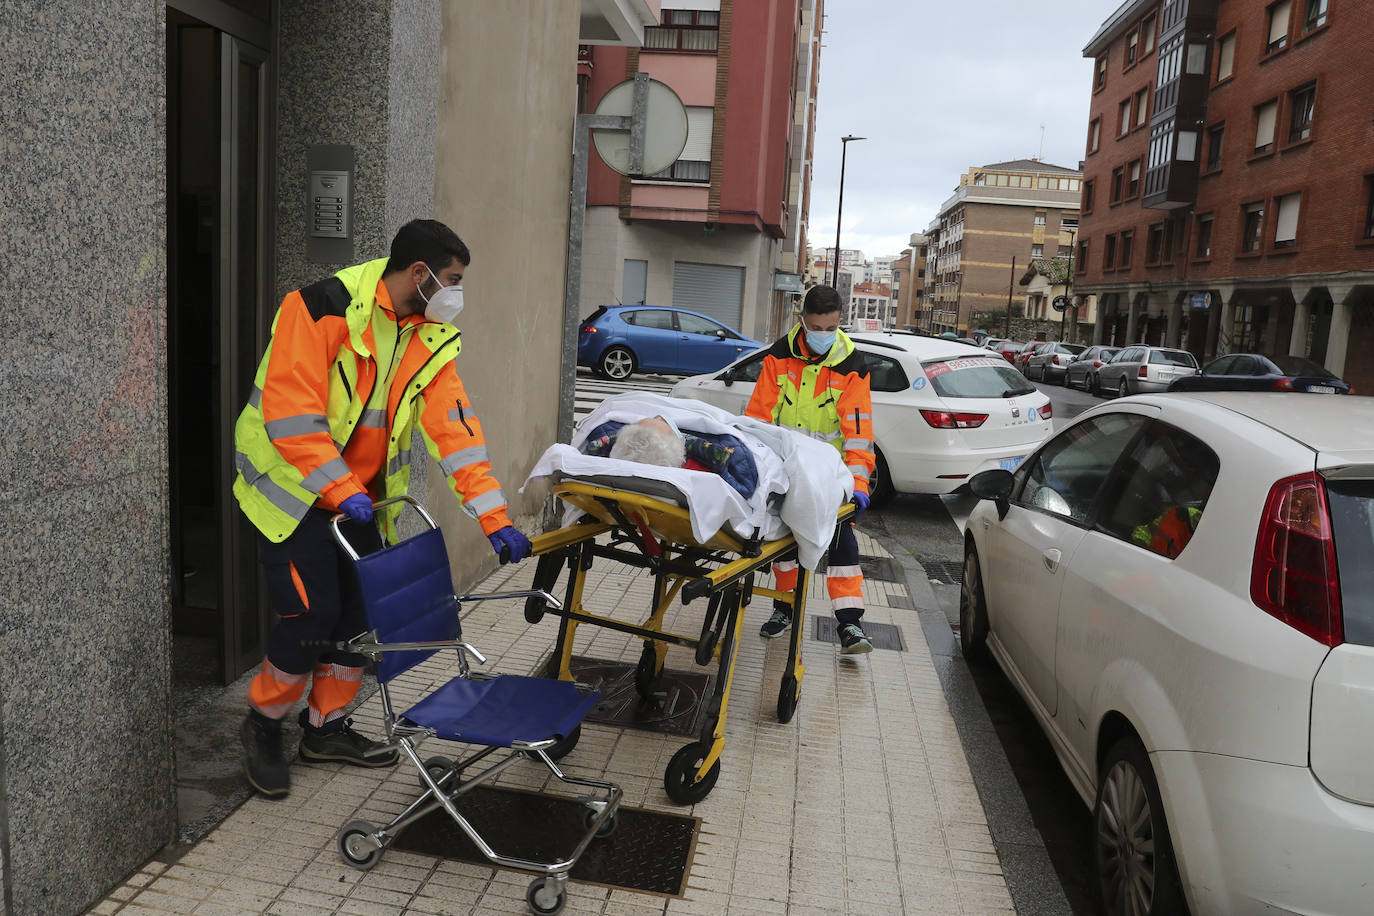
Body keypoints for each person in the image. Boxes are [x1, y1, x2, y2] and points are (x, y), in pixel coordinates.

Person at [232, 218, 533, 798]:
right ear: (419, 273)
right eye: (452, 278)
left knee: (357, 621)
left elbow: (457, 433)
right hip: (292, 493)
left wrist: (494, 518)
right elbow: (292, 414)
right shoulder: (322, 307)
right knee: (310, 617)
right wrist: (340, 488)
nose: (456, 292)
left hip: (359, 503)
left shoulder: (428, 335)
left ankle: (324, 728)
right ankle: (264, 725)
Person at [745, 285, 876, 654]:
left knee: (842, 543)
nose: (823, 336)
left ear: (839, 322)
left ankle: (850, 624)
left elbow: (859, 434)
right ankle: (782, 609)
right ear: (802, 321)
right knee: (782, 544)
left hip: (828, 475)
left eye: (830, 328)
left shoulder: (851, 366)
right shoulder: (779, 356)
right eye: (817, 328)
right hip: (784, 468)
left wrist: (859, 482)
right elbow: (758, 418)